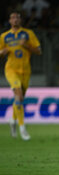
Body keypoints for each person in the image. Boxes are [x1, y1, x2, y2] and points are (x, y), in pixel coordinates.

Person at [0, 12, 42, 140]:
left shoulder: (28, 34)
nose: (15, 19)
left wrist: (27, 46)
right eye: (13, 17)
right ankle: (22, 128)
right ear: (9, 21)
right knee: (18, 94)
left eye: (17, 17)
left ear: (20, 20)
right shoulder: (4, 36)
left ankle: (12, 120)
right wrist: (2, 52)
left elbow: (39, 51)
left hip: (25, 70)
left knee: (20, 98)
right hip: (11, 69)